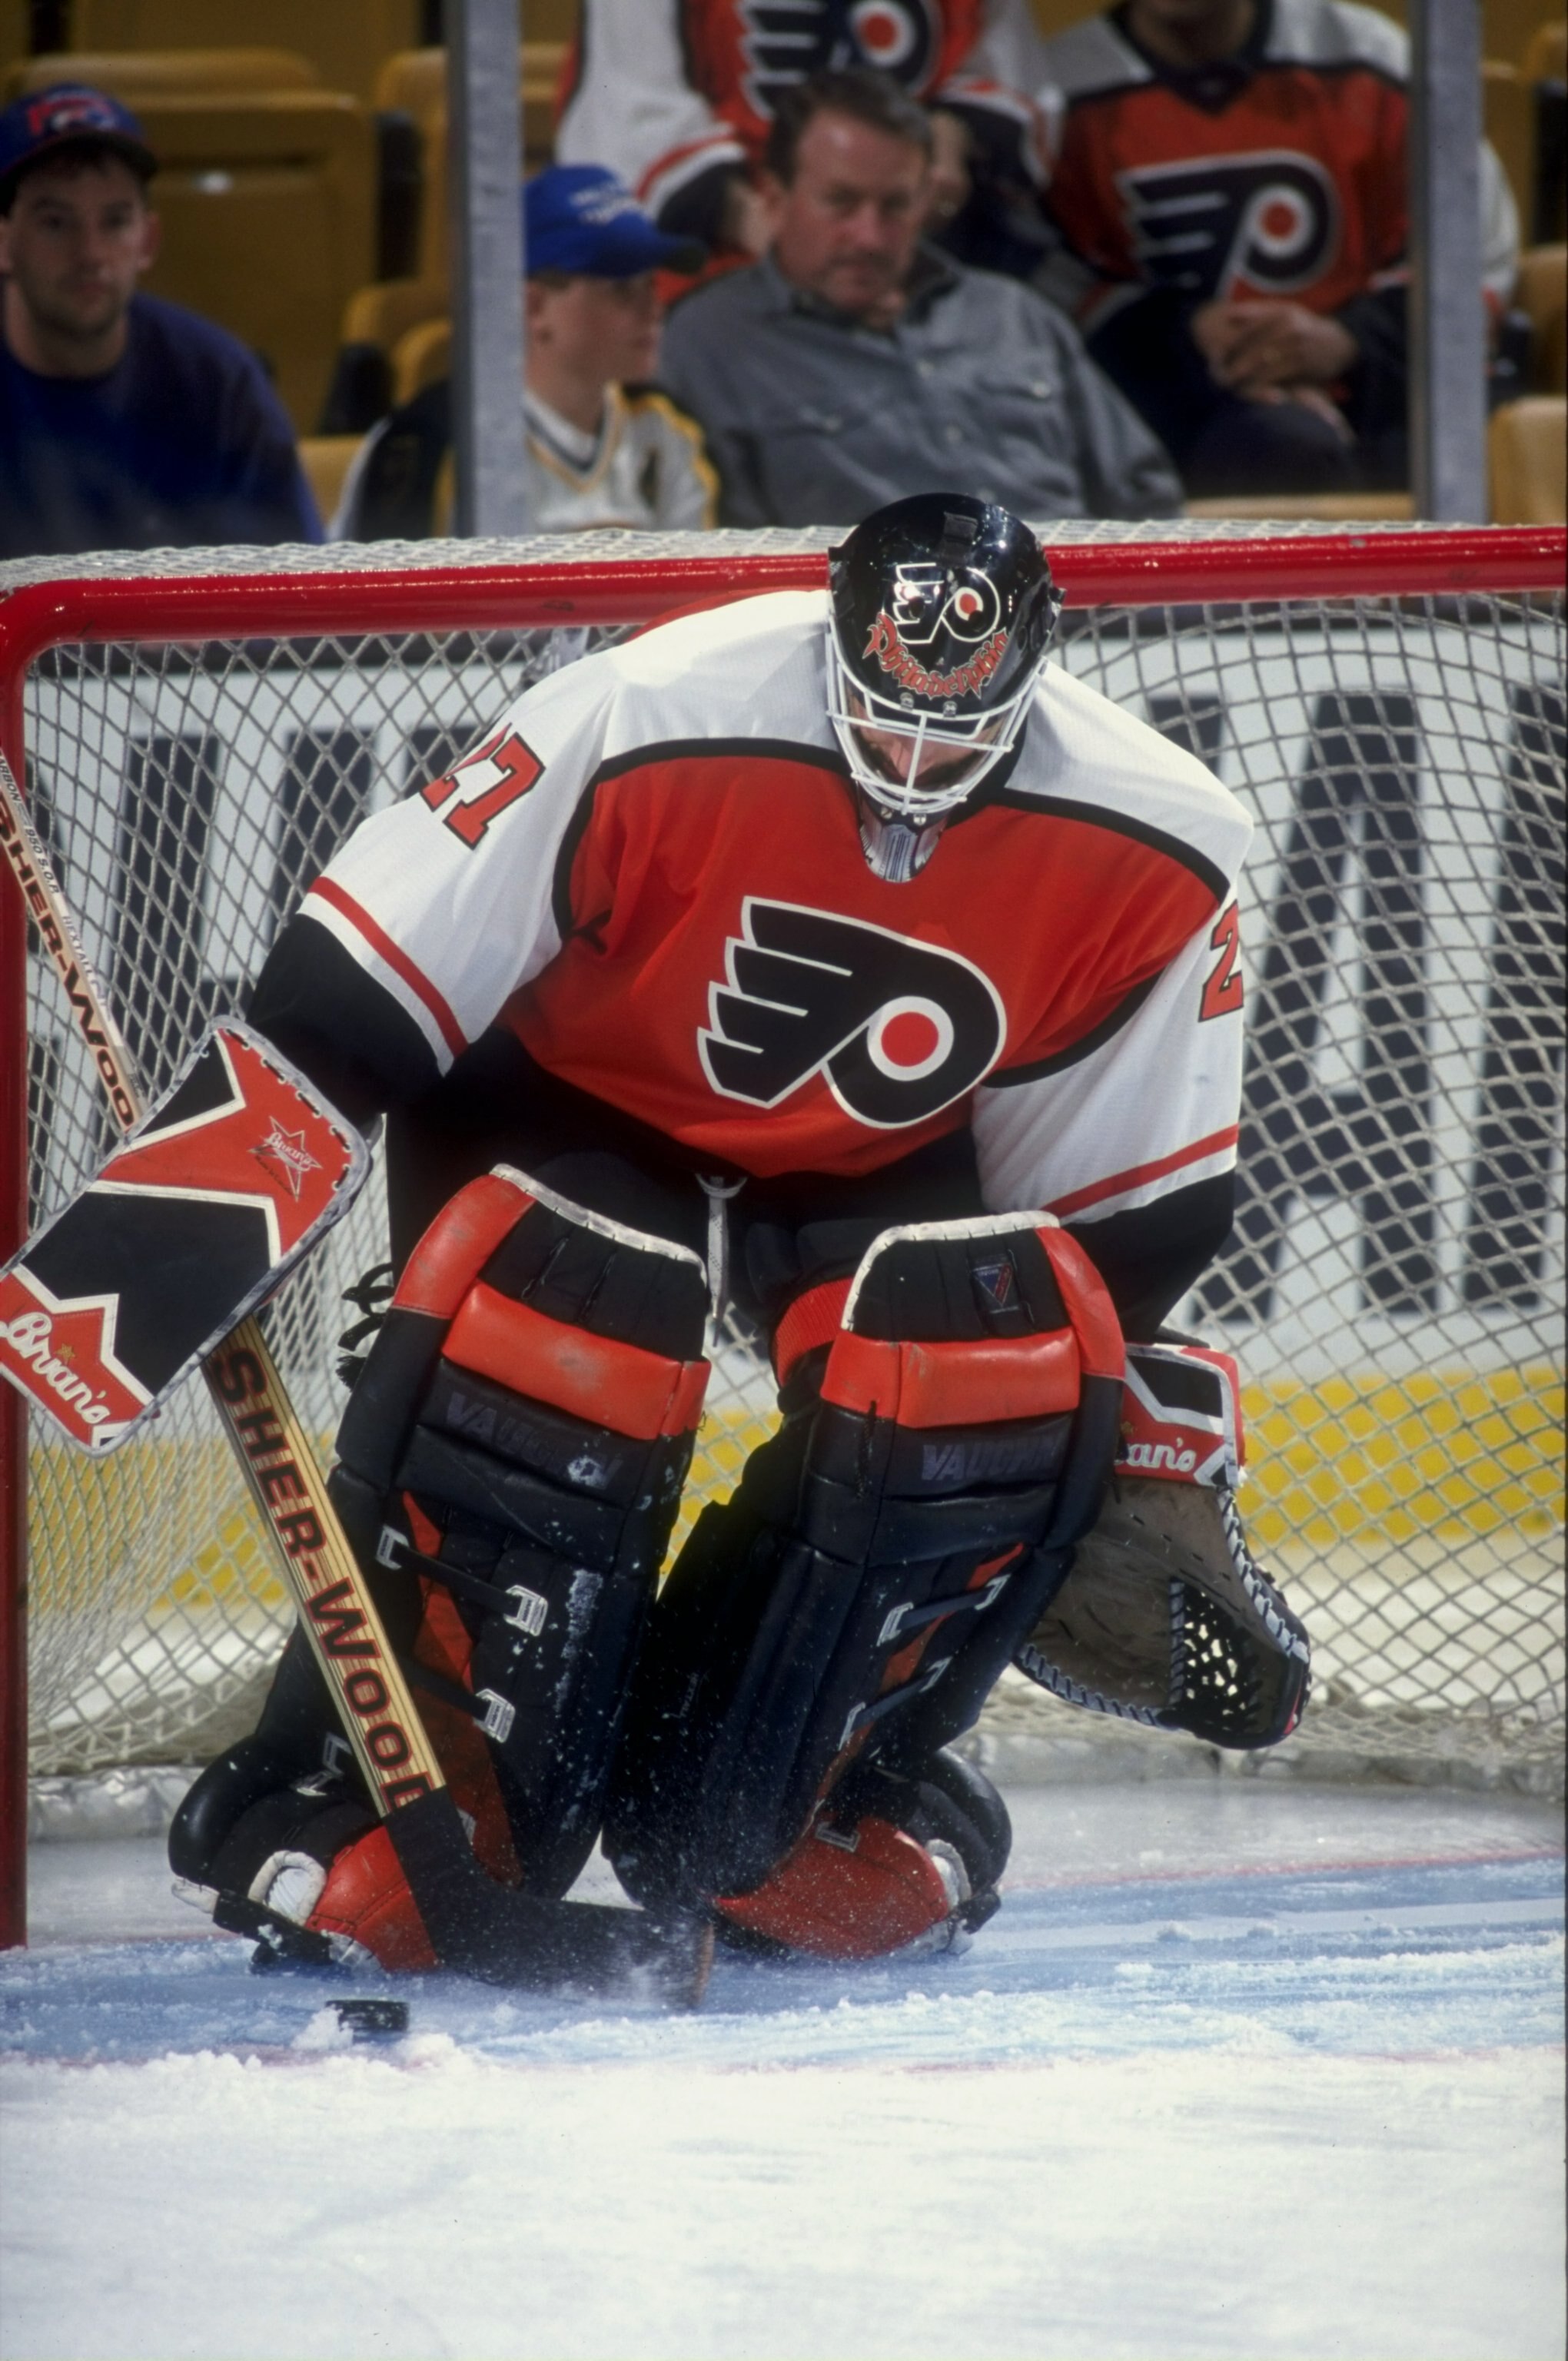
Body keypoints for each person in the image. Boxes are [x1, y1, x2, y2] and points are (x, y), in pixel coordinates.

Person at [167, 492, 1308, 1975]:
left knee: (975, 1367)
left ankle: (811, 1795)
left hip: (875, 1154)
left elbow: (1123, 1223)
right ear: (832, 625)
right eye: (883, 714)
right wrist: (213, 1190)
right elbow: (374, 961)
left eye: (955, 728)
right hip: (564, 1086)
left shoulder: (1166, 832)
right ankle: (354, 1783)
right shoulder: (654, 699)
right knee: (543, 1340)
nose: (912, 768)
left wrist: (1062, 1441)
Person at [1031, 0, 1520, 494]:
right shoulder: (1055, 93)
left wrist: (1348, 341)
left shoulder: (1371, 59)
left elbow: (1474, 253)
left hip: (1379, 399)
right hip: (1169, 410)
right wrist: (1187, 339)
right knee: (1279, 446)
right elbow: (1038, 298)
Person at [656, 68, 1181, 526]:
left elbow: (1144, 498)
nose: (869, 236)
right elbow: (731, 565)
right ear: (775, 198)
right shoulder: (711, 342)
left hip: (1079, 624)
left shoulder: (1011, 314)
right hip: (868, 634)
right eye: (841, 202)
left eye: (895, 206)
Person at [0, 85, 321, 560]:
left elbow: (298, 601)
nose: (90, 254)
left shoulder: (221, 383)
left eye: (115, 221)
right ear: (4, 242)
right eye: (55, 222)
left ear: (148, 240)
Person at [333, 164, 719, 542]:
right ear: (536, 307)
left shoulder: (664, 428)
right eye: (622, 289)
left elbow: (704, 592)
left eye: (652, 284)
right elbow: (388, 602)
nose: (654, 309)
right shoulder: (431, 443)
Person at [555, 0, 1057, 275]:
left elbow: (1007, 69)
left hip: (916, 258)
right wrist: (755, 222)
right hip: (722, 282)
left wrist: (953, 138)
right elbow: (625, 115)